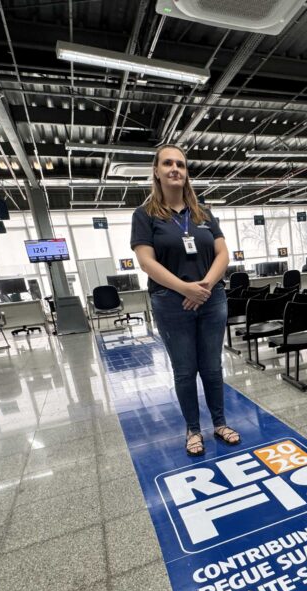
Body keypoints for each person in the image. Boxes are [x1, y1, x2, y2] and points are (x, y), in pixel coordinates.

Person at [131, 145, 240, 457]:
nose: (174, 168)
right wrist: (185, 288)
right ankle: (193, 429)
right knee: (184, 369)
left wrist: (204, 286)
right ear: (157, 171)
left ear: (186, 172)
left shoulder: (203, 213)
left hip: (212, 298)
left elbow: (223, 254)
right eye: (167, 163)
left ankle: (219, 423)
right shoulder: (145, 215)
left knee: (212, 366)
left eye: (180, 164)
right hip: (171, 302)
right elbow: (146, 262)